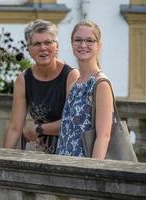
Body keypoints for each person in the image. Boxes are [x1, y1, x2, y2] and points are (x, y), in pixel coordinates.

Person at [3, 19, 79, 153]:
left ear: (57, 46)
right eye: (37, 44)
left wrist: (38, 128)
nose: (43, 48)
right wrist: (1, 160)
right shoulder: (23, 79)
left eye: (48, 42)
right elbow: (15, 127)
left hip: (70, 151)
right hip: (41, 151)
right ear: (29, 50)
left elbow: (72, 123)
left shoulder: (71, 76)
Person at [56, 20, 114, 159]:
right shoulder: (75, 83)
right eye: (78, 40)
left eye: (89, 40)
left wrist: (91, 173)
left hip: (83, 169)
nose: (83, 45)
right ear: (72, 44)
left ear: (98, 45)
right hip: (63, 164)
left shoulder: (100, 84)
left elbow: (104, 136)